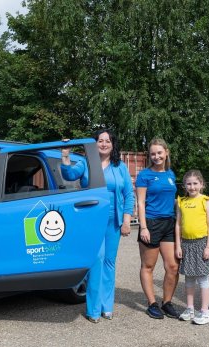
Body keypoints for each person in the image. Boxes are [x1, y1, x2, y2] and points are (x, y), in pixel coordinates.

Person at [61, 129, 135, 323]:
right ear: (95, 144)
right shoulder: (85, 163)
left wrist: (127, 220)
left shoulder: (120, 167)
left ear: (112, 144)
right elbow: (68, 174)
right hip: (91, 220)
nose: (104, 144)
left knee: (110, 262)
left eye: (107, 141)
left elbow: (129, 194)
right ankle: (93, 310)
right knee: (96, 260)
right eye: (100, 140)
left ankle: (106, 307)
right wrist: (65, 154)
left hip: (114, 220)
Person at [136, 138, 180, 319]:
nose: (156, 156)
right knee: (148, 266)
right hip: (151, 223)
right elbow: (140, 202)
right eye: (153, 153)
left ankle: (167, 302)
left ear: (166, 152)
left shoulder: (171, 174)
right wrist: (143, 227)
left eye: (159, 153)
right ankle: (152, 303)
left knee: (172, 266)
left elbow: (172, 200)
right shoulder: (144, 175)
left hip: (169, 223)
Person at [175, 170, 209, 325]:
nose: (192, 187)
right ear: (184, 186)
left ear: (201, 184)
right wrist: (178, 245)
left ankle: (205, 311)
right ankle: (190, 308)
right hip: (186, 244)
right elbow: (178, 225)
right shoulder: (181, 202)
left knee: (203, 279)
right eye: (189, 184)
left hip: (202, 244)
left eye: (195, 183)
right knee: (189, 278)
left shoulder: (206, 201)